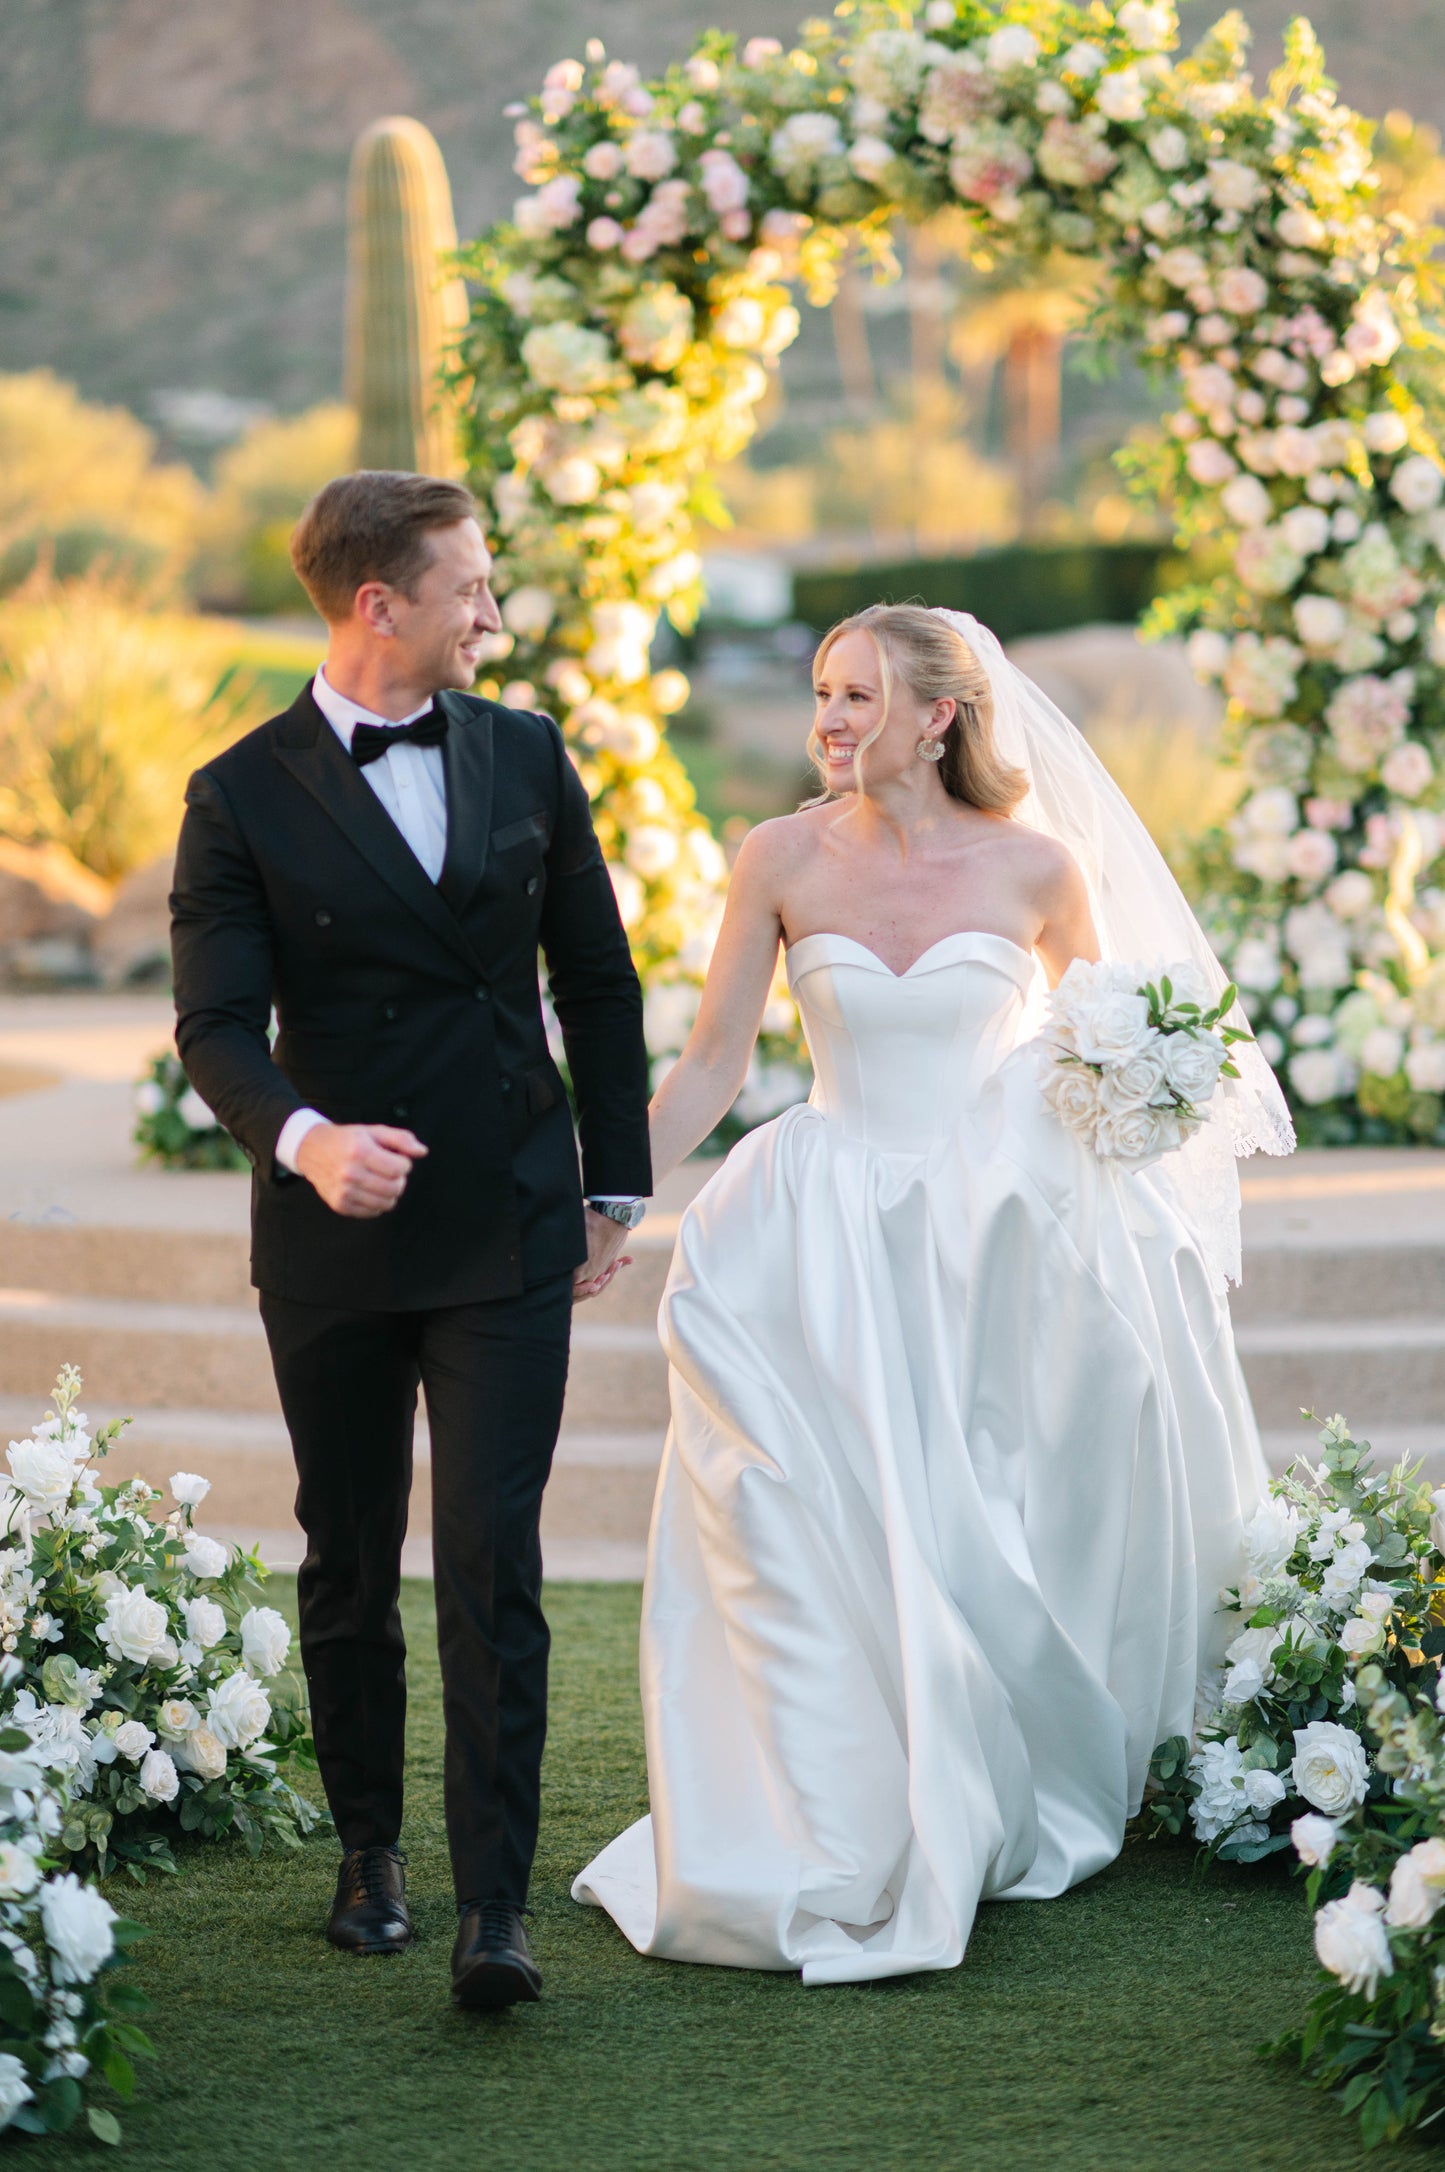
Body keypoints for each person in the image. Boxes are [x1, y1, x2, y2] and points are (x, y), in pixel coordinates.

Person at [573, 603, 1293, 1985]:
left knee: (977, 1529)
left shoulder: (1036, 866)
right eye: (821, 695)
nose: (828, 720)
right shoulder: (776, 854)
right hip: (818, 1233)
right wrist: (613, 1199)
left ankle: (995, 1764)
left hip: (986, 1233)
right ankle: (829, 1796)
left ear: (938, 715)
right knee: (801, 1514)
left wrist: (1131, 1121)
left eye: (855, 696)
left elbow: (1118, 1049)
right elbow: (717, 1063)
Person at [170, 471, 651, 2009]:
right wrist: (306, 1144)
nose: (491, 617)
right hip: (333, 1237)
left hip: (510, 1214)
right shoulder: (238, 791)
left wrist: (613, 1187)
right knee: (350, 1552)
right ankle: (369, 1853)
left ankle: (491, 1905)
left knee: (492, 1559)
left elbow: (598, 979)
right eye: (469, 590)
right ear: (378, 604)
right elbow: (215, 1025)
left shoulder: (524, 751)